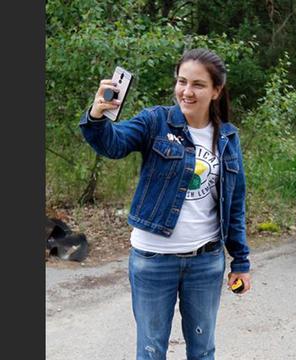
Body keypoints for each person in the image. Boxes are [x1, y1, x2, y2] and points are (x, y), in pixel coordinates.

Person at [79, 48, 251, 360]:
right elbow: (112, 144)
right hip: (153, 260)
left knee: (203, 350)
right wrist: (97, 115)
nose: (187, 91)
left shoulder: (227, 137)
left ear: (216, 91)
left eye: (198, 84)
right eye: (182, 81)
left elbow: (234, 203)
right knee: (151, 350)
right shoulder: (155, 122)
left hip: (206, 261)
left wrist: (241, 261)